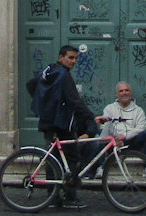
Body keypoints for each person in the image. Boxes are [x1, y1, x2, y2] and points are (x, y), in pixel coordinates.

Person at [36, 44, 100, 210]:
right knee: (72, 159)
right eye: (70, 58)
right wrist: (90, 117)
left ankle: (53, 197)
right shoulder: (63, 75)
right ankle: (69, 197)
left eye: (76, 58)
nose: (74, 61)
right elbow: (74, 101)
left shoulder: (51, 71)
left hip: (49, 122)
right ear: (61, 57)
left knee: (54, 159)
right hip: (60, 124)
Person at [98, 80, 146, 165]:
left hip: (131, 142)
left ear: (130, 93)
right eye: (121, 91)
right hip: (113, 142)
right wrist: (116, 138)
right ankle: (101, 167)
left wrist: (125, 137)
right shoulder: (109, 108)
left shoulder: (138, 110)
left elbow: (141, 128)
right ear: (116, 94)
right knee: (101, 133)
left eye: (126, 90)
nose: (124, 93)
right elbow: (105, 126)